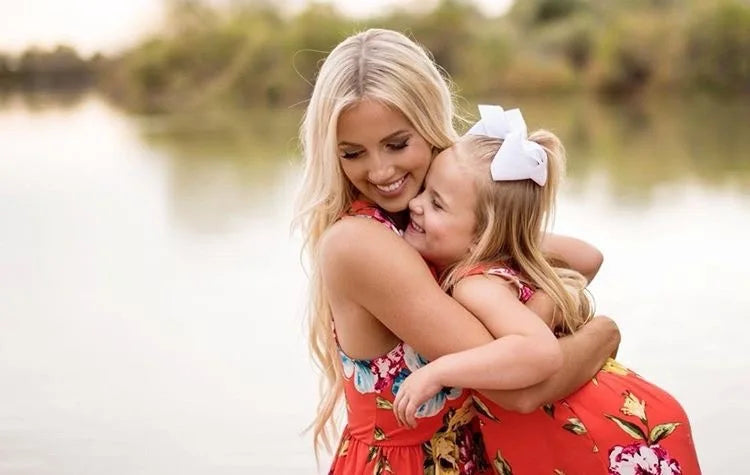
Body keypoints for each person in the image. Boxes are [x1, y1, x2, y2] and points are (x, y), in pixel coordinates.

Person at [294, 29, 620, 474]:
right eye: (353, 153)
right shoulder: (361, 243)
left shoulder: (430, 222)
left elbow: (573, 258)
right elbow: (520, 390)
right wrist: (602, 333)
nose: (381, 170)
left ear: (429, 126)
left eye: (397, 143)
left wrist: (541, 294)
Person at [392, 105, 702, 474]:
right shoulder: (500, 266)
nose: (415, 203)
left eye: (436, 203)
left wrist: (439, 371)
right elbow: (587, 258)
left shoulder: (474, 285)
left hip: (602, 441)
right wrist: (507, 237)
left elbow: (539, 351)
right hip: (631, 418)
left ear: (480, 236)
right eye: (426, 190)